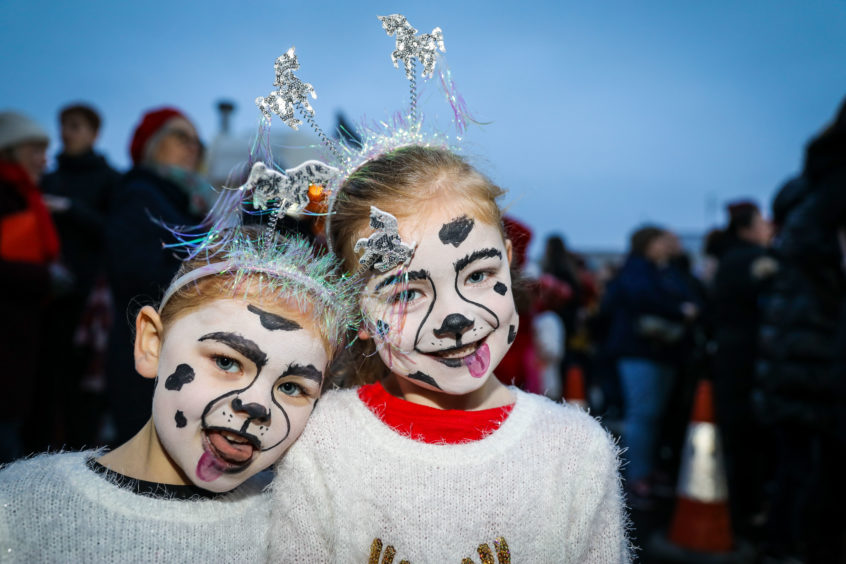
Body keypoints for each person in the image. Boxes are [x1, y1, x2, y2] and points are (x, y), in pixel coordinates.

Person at [268, 146, 631, 562]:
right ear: (357, 314)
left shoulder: (576, 452)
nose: (453, 318)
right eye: (405, 293)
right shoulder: (322, 442)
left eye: (478, 275)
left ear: (508, 263)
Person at [0, 220, 356, 561]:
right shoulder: (18, 507)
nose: (256, 405)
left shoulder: (305, 532)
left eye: (292, 387)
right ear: (151, 344)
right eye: (227, 362)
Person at [104, 107, 207, 445]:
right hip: (144, 359)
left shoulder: (190, 204)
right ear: (151, 144)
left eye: (197, 141)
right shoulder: (141, 195)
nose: (192, 146)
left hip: (173, 356)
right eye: (180, 136)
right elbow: (133, 271)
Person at [32, 103, 120, 450]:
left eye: (76, 126)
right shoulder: (48, 178)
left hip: (88, 303)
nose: (67, 133)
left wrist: (70, 209)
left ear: (94, 134)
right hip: (47, 297)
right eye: (64, 125)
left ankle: (80, 456)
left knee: (83, 388)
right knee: (44, 385)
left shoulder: (110, 179)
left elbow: (113, 231)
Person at [602, 226, 699, 499]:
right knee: (643, 415)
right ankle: (638, 477)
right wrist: (680, 310)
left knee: (651, 415)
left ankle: (644, 471)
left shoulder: (660, 269)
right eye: (661, 241)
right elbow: (649, 298)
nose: (667, 245)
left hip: (656, 351)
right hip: (641, 350)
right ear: (648, 243)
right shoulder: (638, 270)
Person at [0, 111, 68, 463]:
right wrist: (44, 279)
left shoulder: (28, 197)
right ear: (10, 150)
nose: (45, 159)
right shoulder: (8, 196)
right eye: (35, 150)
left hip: (23, 337)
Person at [708, 200, 774, 534]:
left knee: (737, 433)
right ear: (747, 228)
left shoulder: (728, 259)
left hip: (731, 354)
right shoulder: (753, 260)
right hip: (745, 358)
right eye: (763, 222)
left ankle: (738, 505)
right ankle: (744, 510)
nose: (769, 228)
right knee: (746, 435)